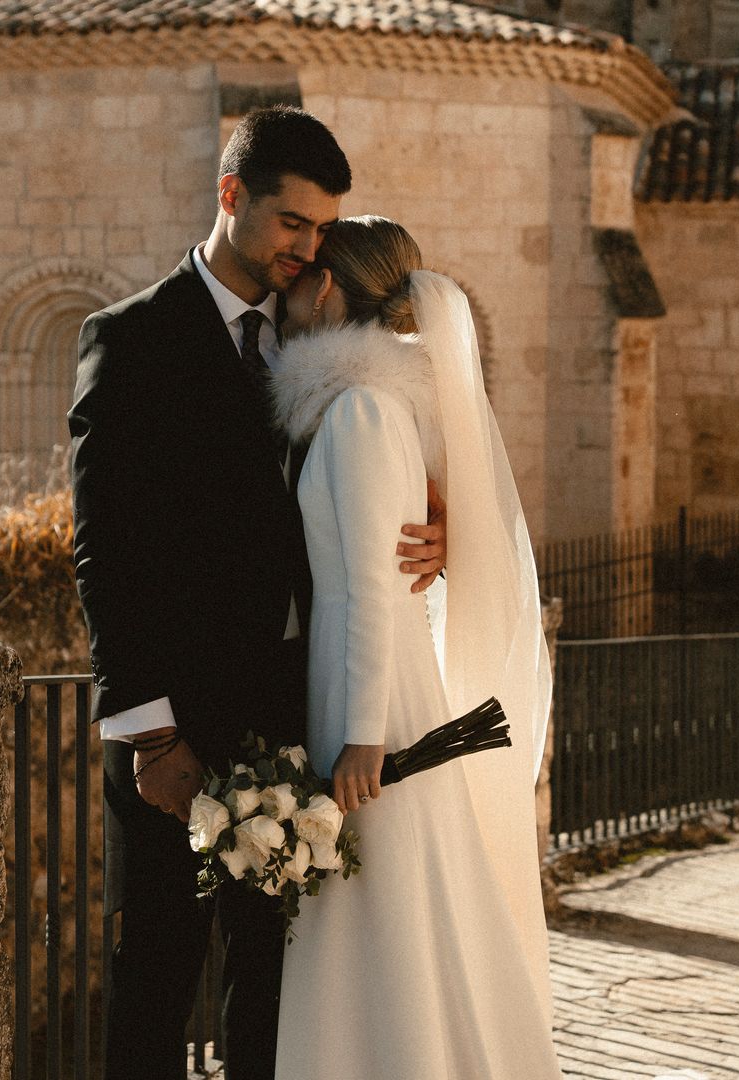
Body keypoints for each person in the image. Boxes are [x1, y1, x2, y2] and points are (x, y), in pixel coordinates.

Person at [68, 111, 444, 1080]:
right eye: (292, 222)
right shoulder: (131, 339)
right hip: (174, 731)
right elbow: (104, 552)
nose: (308, 248)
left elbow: (367, 480)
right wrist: (151, 737)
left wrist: (437, 521)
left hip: (287, 711)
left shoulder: (316, 337)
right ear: (231, 195)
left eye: (322, 230)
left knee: (273, 987)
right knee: (155, 978)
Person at [271, 217, 562, 1079]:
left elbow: (370, 583)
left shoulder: (359, 410)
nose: (289, 285)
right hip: (367, 677)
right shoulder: (374, 404)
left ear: (327, 287)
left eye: (304, 274)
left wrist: (364, 734)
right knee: (394, 902)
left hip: (372, 694)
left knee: (387, 898)